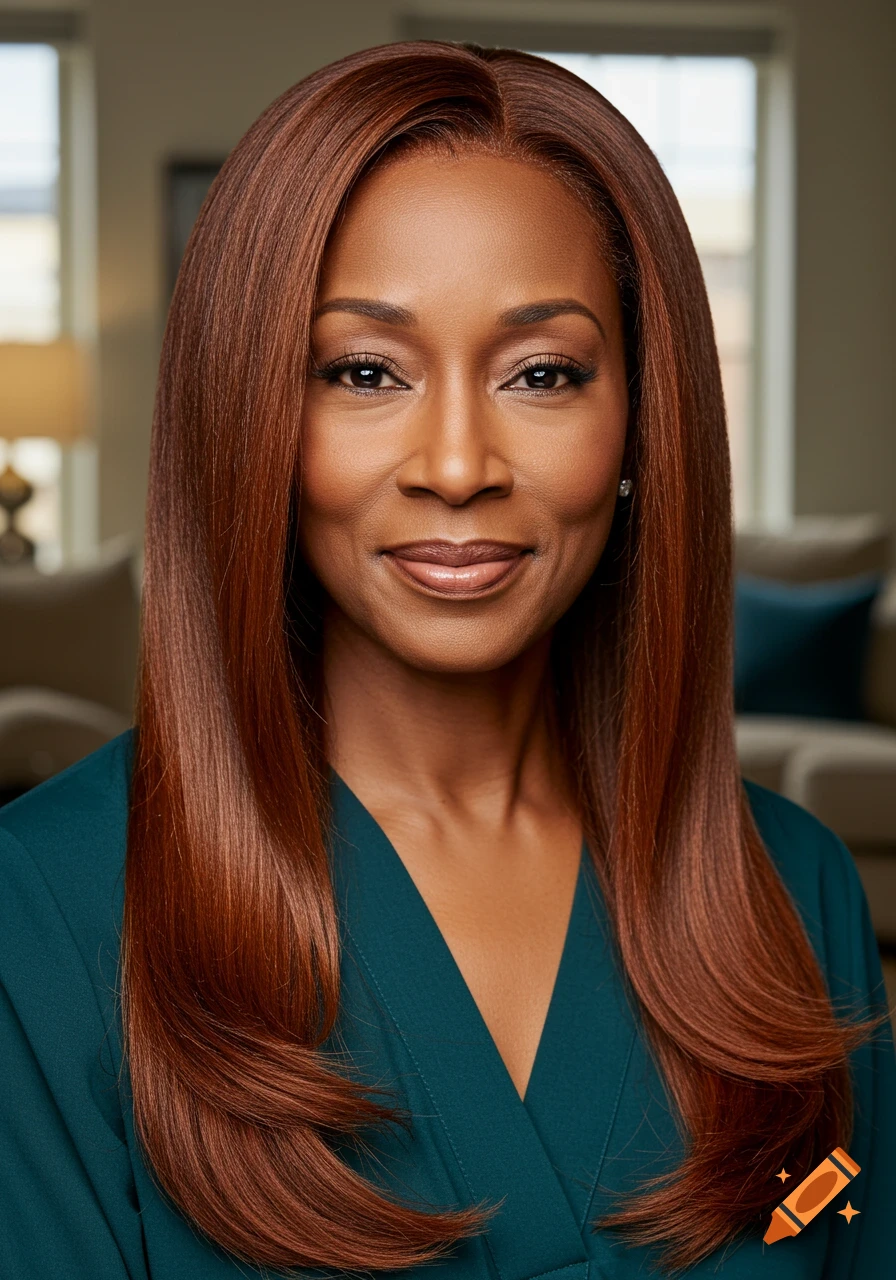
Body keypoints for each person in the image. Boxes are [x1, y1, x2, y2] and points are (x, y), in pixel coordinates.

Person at [1, 40, 894, 1280]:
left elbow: (844, 1235)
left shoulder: (795, 895)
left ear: (638, 419)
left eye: (543, 373)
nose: (459, 464)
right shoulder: (44, 910)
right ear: (252, 416)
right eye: (364, 372)